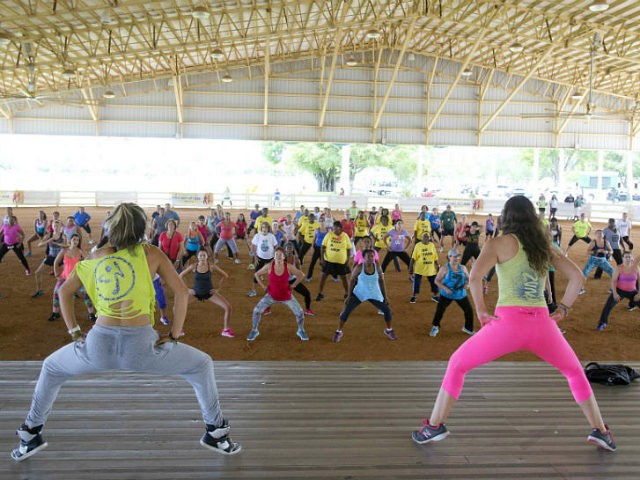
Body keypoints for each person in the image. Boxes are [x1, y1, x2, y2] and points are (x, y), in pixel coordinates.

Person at [10, 202, 241, 462]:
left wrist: (74, 331)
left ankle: (30, 435)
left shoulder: (96, 257)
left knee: (52, 368)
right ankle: (216, 433)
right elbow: (179, 292)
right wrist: (175, 334)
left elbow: (64, 290)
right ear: (142, 228)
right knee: (201, 365)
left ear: (112, 228)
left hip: (98, 345)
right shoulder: (151, 253)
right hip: (142, 348)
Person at [410, 195, 616, 452]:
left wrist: (483, 311)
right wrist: (563, 308)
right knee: (574, 372)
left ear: (506, 217)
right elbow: (576, 277)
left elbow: (474, 277)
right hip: (542, 325)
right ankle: (601, 431)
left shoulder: (497, 244)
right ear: (532, 217)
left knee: (457, 364)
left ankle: (435, 425)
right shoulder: (545, 246)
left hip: (506, 324)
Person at [332, 249, 396, 343]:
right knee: (346, 312)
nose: (370, 258)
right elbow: (352, 281)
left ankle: (388, 330)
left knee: (387, 310)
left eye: (372, 256)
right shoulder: (359, 267)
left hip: (374, 293)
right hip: (359, 293)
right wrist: (349, 296)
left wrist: (385, 296)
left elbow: (381, 281)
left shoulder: (377, 266)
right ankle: (339, 331)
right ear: (363, 257)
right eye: (368, 256)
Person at [247, 246, 308, 341]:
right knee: (256, 311)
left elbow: (301, 275)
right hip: (271, 295)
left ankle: (301, 330)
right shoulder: (268, 266)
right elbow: (256, 274)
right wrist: (263, 286)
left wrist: (293, 285)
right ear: (274, 256)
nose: (278, 256)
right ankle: (254, 330)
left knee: (300, 313)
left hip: (286, 296)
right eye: (277, 255)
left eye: (280, 255)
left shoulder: (288, 266)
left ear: (284, 257)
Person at [180, 249, 235, 338]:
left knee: (228, 307)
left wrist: (218, 288)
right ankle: (179, 329)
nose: (202, 257)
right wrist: (187, 289)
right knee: (177, 308)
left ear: (207, 256)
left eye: (204, 255)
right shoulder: (193, 266)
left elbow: (225, 275)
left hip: (209, 292)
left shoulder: (211, 266)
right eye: (200, 255)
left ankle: (225, 330)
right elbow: (180, 276)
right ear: (197, 257)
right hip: (195, 293)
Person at [48, 233, 97, 323]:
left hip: (77, 277)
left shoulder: (80, 251)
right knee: (56, 293)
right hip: (64, 277)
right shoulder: (64, 251)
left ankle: (91, 314)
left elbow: (89, 260)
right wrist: (56, 274)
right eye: (74, 239)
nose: (75, 241)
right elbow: (56, 262)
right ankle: (56, 312)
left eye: (77, 240)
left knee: (86, 294)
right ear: (70, 240)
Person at [429, 248, 474, 337]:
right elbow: (437, 281)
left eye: (458, 256)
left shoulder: (463, 268)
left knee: (469, 311)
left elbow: (469, 279)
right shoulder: (444, 268)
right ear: (449, 257)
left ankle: (468, 328)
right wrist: (445, 289)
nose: (457, 258)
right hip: (446, 295)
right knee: (440, 311)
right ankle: (435, 326)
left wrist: (467, 285)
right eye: (454, 257)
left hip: (460, 294)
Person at [316, 221, 352, 301]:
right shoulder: (329, 235)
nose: (334, 230)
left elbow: (349, 248)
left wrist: (348, 259)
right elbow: (323, 246)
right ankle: (320, 293)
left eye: (336, 228)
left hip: (341, 262)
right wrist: (322, 259)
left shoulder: (345, 236)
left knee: (344, 278)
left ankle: (347, 293)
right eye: (333, 228)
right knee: (323, 277)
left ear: (340, 228)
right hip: (329, 261)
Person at [248, 222, 278, 297]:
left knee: (273, 275)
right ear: (261, 228)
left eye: (266, 227)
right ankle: (253, 290)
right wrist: (255, 257)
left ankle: (274, 290)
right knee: (256, 274)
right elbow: (254, 246)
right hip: (260, 258)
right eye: (263, 227)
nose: (264, 229)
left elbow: (276, 247)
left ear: (268, 229)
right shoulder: (257, 236)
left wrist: (274, 258)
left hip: (270, 259)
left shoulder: (271, 236)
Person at [409, 233, 440, 304]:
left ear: (429, 238)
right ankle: (414, 296)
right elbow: (413, 258)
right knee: (416, 283)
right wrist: (410, 267)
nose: (426, 239)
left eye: (427, 237)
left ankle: (435, 296)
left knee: (434, 283)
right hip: (419, 269)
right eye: (424, 237)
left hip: (430, 269)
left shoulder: (432, 245)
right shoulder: (418, 245)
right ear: (421, 238)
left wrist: (437, 265)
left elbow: (435, 256)